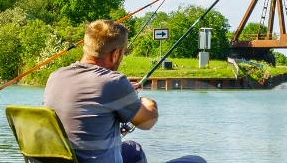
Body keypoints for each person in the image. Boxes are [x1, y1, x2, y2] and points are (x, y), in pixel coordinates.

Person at [43, 20, 204, 163]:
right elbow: (147, 122)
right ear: (115, 54)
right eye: (123, 53)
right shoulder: (113, 82)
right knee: (196, 161)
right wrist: (147, 102)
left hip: (69, 159)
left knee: (133, 149)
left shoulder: (55, 76)